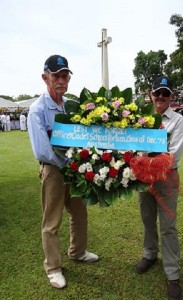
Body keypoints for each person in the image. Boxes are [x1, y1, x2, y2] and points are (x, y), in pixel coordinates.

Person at [27, 54, 99, 289]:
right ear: (45, 77)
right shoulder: (37, 110)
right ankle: (53, 267)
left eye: (65, 75)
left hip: (74, 169)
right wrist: (70, 163)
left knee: (79, 214)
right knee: (52, 222)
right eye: (56, 75)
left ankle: (77, 252)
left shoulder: (69, 105)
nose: (61, 79)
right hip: (54, 172)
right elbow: (42, 150)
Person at [135, 76, 183, 300]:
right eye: (158, 93)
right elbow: (133, 148)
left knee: (168, 226)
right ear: (151, 94)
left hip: (166, 179)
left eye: (166, 93)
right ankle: (149, 254)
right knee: (147, 218)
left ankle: (172, 274)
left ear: (171, 97)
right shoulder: (140, 119)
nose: (161, 97)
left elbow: (172, 157)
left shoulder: (178, 121)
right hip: (143, 179)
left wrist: (145, 158)